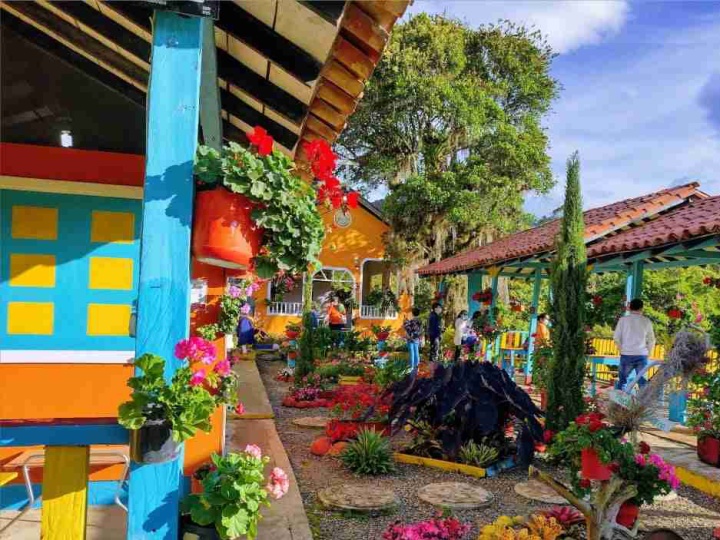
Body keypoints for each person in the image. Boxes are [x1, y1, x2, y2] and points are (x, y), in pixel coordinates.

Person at [614, 298, 656, 390]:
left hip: (626, 354)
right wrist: (648, 353)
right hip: (642, 355)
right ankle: (642, 403)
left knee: (623, 382)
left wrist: (622, 350)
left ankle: (619, 403)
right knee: (642, 381)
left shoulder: (623, 320)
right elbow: (652, 340)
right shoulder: (646, 321)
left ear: (629, 307)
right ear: (642, 308)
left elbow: (616, 338)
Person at [403, 307, 423, 372]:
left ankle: (411, 367)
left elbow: (407, 328)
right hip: (417, 338)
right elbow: (421, 331)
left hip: (411, 339)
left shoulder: (410, 321)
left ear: (412, 313)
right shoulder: (420, 321)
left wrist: (405, 320)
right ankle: (417, 367)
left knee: (412, 353)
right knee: (416, 352)